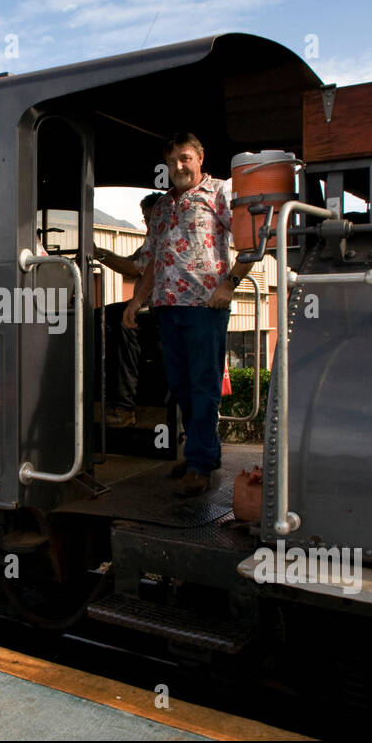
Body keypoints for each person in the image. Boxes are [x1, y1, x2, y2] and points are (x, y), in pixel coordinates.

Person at [123, 132, 253, 496]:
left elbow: (250, 241)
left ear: (199, 158)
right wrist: (136, 302)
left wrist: (229, 285)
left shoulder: (220, 193)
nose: (178, 166)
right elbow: (150, 261)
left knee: (203, 385)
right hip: (166, 306)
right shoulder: (162, 207)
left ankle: (199, 463)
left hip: (204, 305)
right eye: (172, 161)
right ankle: (203, 454)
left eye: (185, 158)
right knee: (180, 386)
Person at [95, 192, 161, 427]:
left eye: (151, 217)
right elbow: (129, 264)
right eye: (145, 218)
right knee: (98, 317)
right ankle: (101, 391)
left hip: (160, 310)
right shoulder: (150, 243)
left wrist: (99, 254)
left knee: (126, 325)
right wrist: (101, 253)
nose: (147, 224)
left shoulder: (164, 239)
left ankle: (124, 406)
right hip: (148, 305)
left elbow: (133, 269)